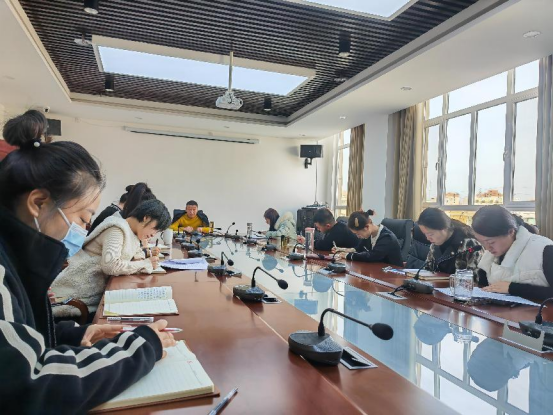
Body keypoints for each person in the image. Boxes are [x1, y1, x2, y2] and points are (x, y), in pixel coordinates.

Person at [0, 110, 175, 413]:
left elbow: (19, 337)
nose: (84, 229)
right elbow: (29, 383)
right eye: (83, 218)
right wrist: (140, 347)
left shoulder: (17, 259)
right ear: (38, 203)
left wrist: (73, 334)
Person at [52, 199, 171, 318]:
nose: (153, 234)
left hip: (97, 292)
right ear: (146, 218)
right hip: (77, 295)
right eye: (155, 228)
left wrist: (145, 261)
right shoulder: (117, 229)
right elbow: (111, 266)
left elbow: (136, 258)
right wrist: (145, 263)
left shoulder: (133, 233)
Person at [472, 206, 553, 299]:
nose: (487, 248)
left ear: (511, 232)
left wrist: (513, 288)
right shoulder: (490, 256)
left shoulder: (545, 250)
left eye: (491, 242)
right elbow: (484, 287)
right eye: (482, 242)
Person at [417, 207, 482, 275]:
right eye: (425, 234)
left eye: (430, 234)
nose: (428, 238)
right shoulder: (435, 245)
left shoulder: (469, 244)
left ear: (444, 228)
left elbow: (476, 277)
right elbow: (427, 271)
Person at [337, 210, 403, 266]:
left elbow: (372, 256)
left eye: (358, 233)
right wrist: (342, 250)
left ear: (367, 227)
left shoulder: (387, 238)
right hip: (376, 270)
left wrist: (348, 256)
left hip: (392, 274)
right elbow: (359, 248)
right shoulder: (369, 235)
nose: (358, 236)